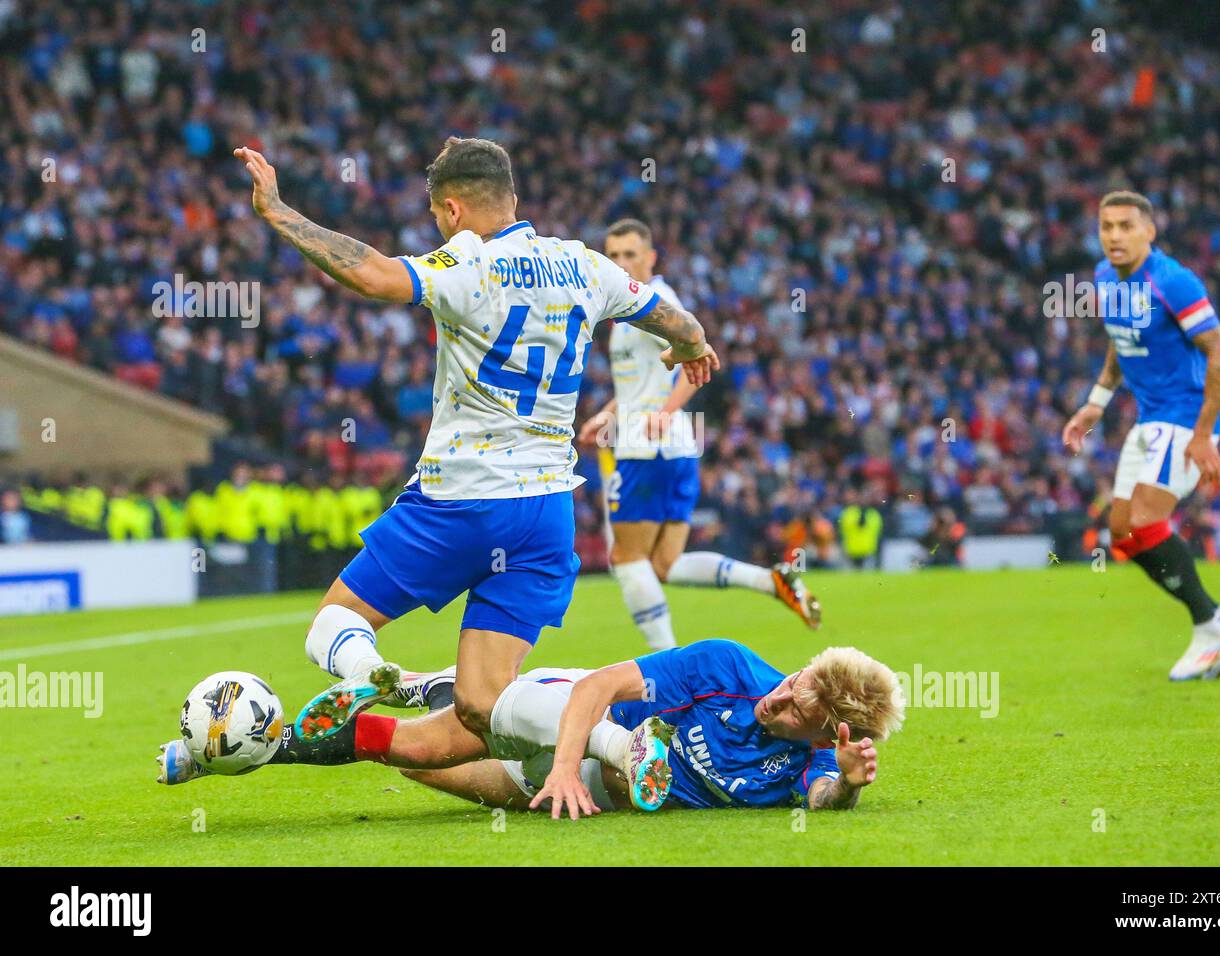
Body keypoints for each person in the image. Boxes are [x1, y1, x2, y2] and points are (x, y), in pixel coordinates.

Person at [231, 137, 720, 798]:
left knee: (332, 626)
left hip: (458, 501)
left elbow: (373, 275)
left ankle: (378, 677)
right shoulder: (583, 265)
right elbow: (673, 319)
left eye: (438, 216)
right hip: (546, 512)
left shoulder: (468, 262)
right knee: (482, 704)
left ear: (454, 210)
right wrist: (692, 347)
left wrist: (278, 212)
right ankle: (621, 744)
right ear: (514, 199)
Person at [157, 639, 902, 819]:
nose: (779, 698)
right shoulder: (732, 667)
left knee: (407, 752)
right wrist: (570, 761)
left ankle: (221, 754)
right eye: (794, 681)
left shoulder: (807, 766)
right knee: (497, 713)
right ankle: (429, 685)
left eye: (798, 708)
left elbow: (823, 800)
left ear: (825, 732)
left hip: (585, 791)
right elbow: (601, 684)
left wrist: (853, 789)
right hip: (576, 721)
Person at [578, 219, 820, 652]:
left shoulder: (657, 304)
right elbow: (642, 382)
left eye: (630, 254)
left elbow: (700, 358)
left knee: (626, 558)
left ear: (651, 258)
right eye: (612, 255)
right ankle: (771, 580)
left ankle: (667, 666)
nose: (620, 263)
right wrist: (608, 413)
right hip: (675, 448)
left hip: (647, 450)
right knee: (665, 565)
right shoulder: (628, 311)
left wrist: (662, 412)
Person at [1062, 190, 1220, 681]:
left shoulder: (1173, 282)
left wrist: (1204, 434)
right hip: (1150, 418)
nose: (1115, 236)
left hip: (1187, 414)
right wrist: (1095, 404)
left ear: (1150, 231)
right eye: (1107, 227)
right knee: (1122, 534)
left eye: (1126, 226)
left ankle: (1211, 626)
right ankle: (1218, 619)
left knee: (1145, 522)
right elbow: (1120, 343)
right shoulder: (1105, 277)